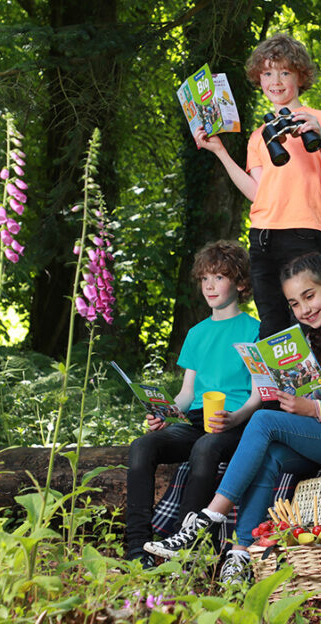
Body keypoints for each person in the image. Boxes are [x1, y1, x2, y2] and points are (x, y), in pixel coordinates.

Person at [144, 253, 321, 583]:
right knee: (271, 454)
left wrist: (313, 408)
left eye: (309, 296)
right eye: (294, 303)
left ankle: (208, 517)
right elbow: (317, 397)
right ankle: (241, 555)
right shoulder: (306, 337)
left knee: (263, 421)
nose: (304, 309)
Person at [194, 33, 321, 340]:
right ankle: (276, 389)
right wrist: (220, 151)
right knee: (271, 324)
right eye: (267, 73)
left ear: (301, 76)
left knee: (306, 319)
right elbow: (256, 193)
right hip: (262, 237)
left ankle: (310, 389)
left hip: (303, 233)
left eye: (285, 72)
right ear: (258, 78)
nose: (275, 81)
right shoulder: (258, 135)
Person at [124, 240, 261, 568]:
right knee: (142, 446)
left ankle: (178, 546)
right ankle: (137, 551)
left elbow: (258, 396)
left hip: (236, 423)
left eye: (219, 277)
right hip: (197, 422)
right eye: (205, 279)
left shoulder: (255, 330)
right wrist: (164, 413)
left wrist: (235, 417)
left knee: (205, 448)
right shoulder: (197, 333)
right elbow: (187, 394)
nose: (210, 286)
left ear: (240, 283)